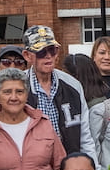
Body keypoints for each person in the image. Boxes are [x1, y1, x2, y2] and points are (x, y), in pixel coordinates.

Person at [22, 25, 96, 159]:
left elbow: (84, 135)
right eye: (41, 52)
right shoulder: (18, 87)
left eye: (52, 50)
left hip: (70, 164)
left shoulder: (72, 84)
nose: (48, 56)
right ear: (27, 55)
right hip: (34, 166)